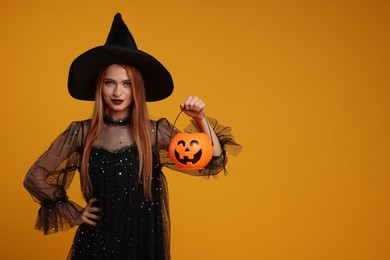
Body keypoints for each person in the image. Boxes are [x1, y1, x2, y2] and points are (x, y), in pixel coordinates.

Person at [23, 13, 241, 260]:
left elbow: (214, 162)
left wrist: (200, 119)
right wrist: (75, 214)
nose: (118, 92)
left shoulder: (154, 132)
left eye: (126, 84)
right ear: (100, 86)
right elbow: (34, 176)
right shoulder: (81, 132)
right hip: (97, 241)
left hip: (143, 240)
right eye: (110, 83)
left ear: (137, 88)